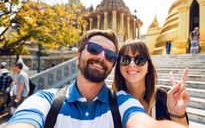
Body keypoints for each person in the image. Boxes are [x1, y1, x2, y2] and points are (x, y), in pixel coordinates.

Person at [5, 30, 186, 128]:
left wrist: (177, 115)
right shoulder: (46, 100)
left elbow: (144, 124)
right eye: (93, 48)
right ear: (78, 54)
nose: (101, 57)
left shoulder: (123, 102)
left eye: (109, 55)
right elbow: (24, 121)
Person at [113, 39, 189, 127]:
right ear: (119, 67)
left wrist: (177, 114)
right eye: (125, 59)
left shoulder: (166, 97)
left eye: (140, 59)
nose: (132, 64)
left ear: (148, 66)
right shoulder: (112, 102)